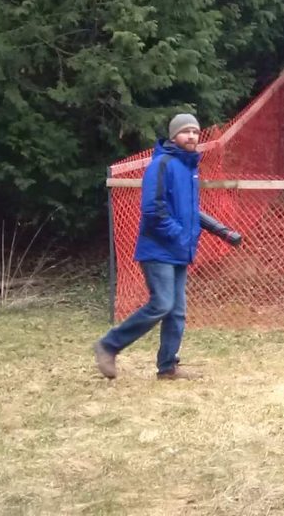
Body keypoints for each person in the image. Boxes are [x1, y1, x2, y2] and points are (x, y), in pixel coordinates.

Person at [95, 113, 243, 380]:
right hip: (158, 249)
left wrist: (222, 231)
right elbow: (153, 209)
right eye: (186, 132)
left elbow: (191, 211)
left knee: (176, 311)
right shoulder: (162, 164)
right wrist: (178, 235)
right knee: (162, 303)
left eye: (196, 132)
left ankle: (168, 367)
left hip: (178, 250)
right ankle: (109, 345)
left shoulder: (189, 170)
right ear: (174, 135)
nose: (191, 137)